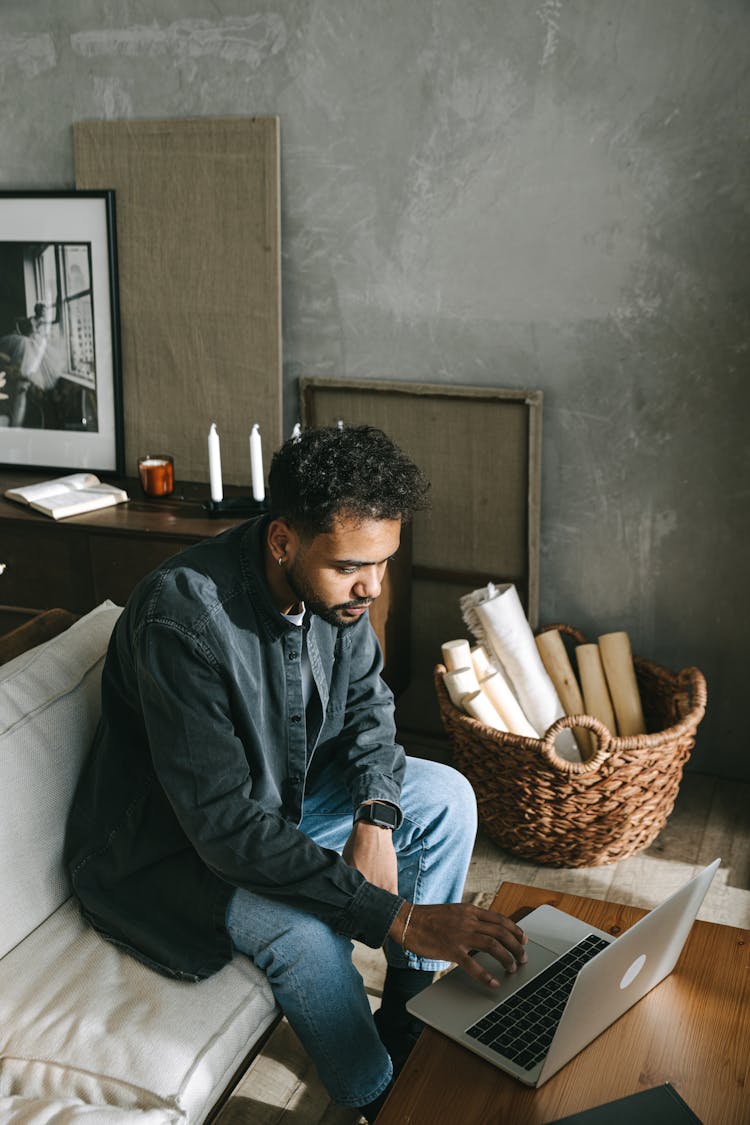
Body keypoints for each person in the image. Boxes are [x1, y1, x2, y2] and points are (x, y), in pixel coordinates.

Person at [64, 424, 527, 1121]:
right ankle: (376, 1095)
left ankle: (406, 1019)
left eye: (385, 562)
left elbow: (370, 704)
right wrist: (397, 917)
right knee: (305, 936)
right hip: (170, 850)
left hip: (279, 802)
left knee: (447, 798)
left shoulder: (337, 587)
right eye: (352, 566)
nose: (372, 585)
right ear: (283, 540)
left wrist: (374, 815)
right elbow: (222, 826)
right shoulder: (183, 617)